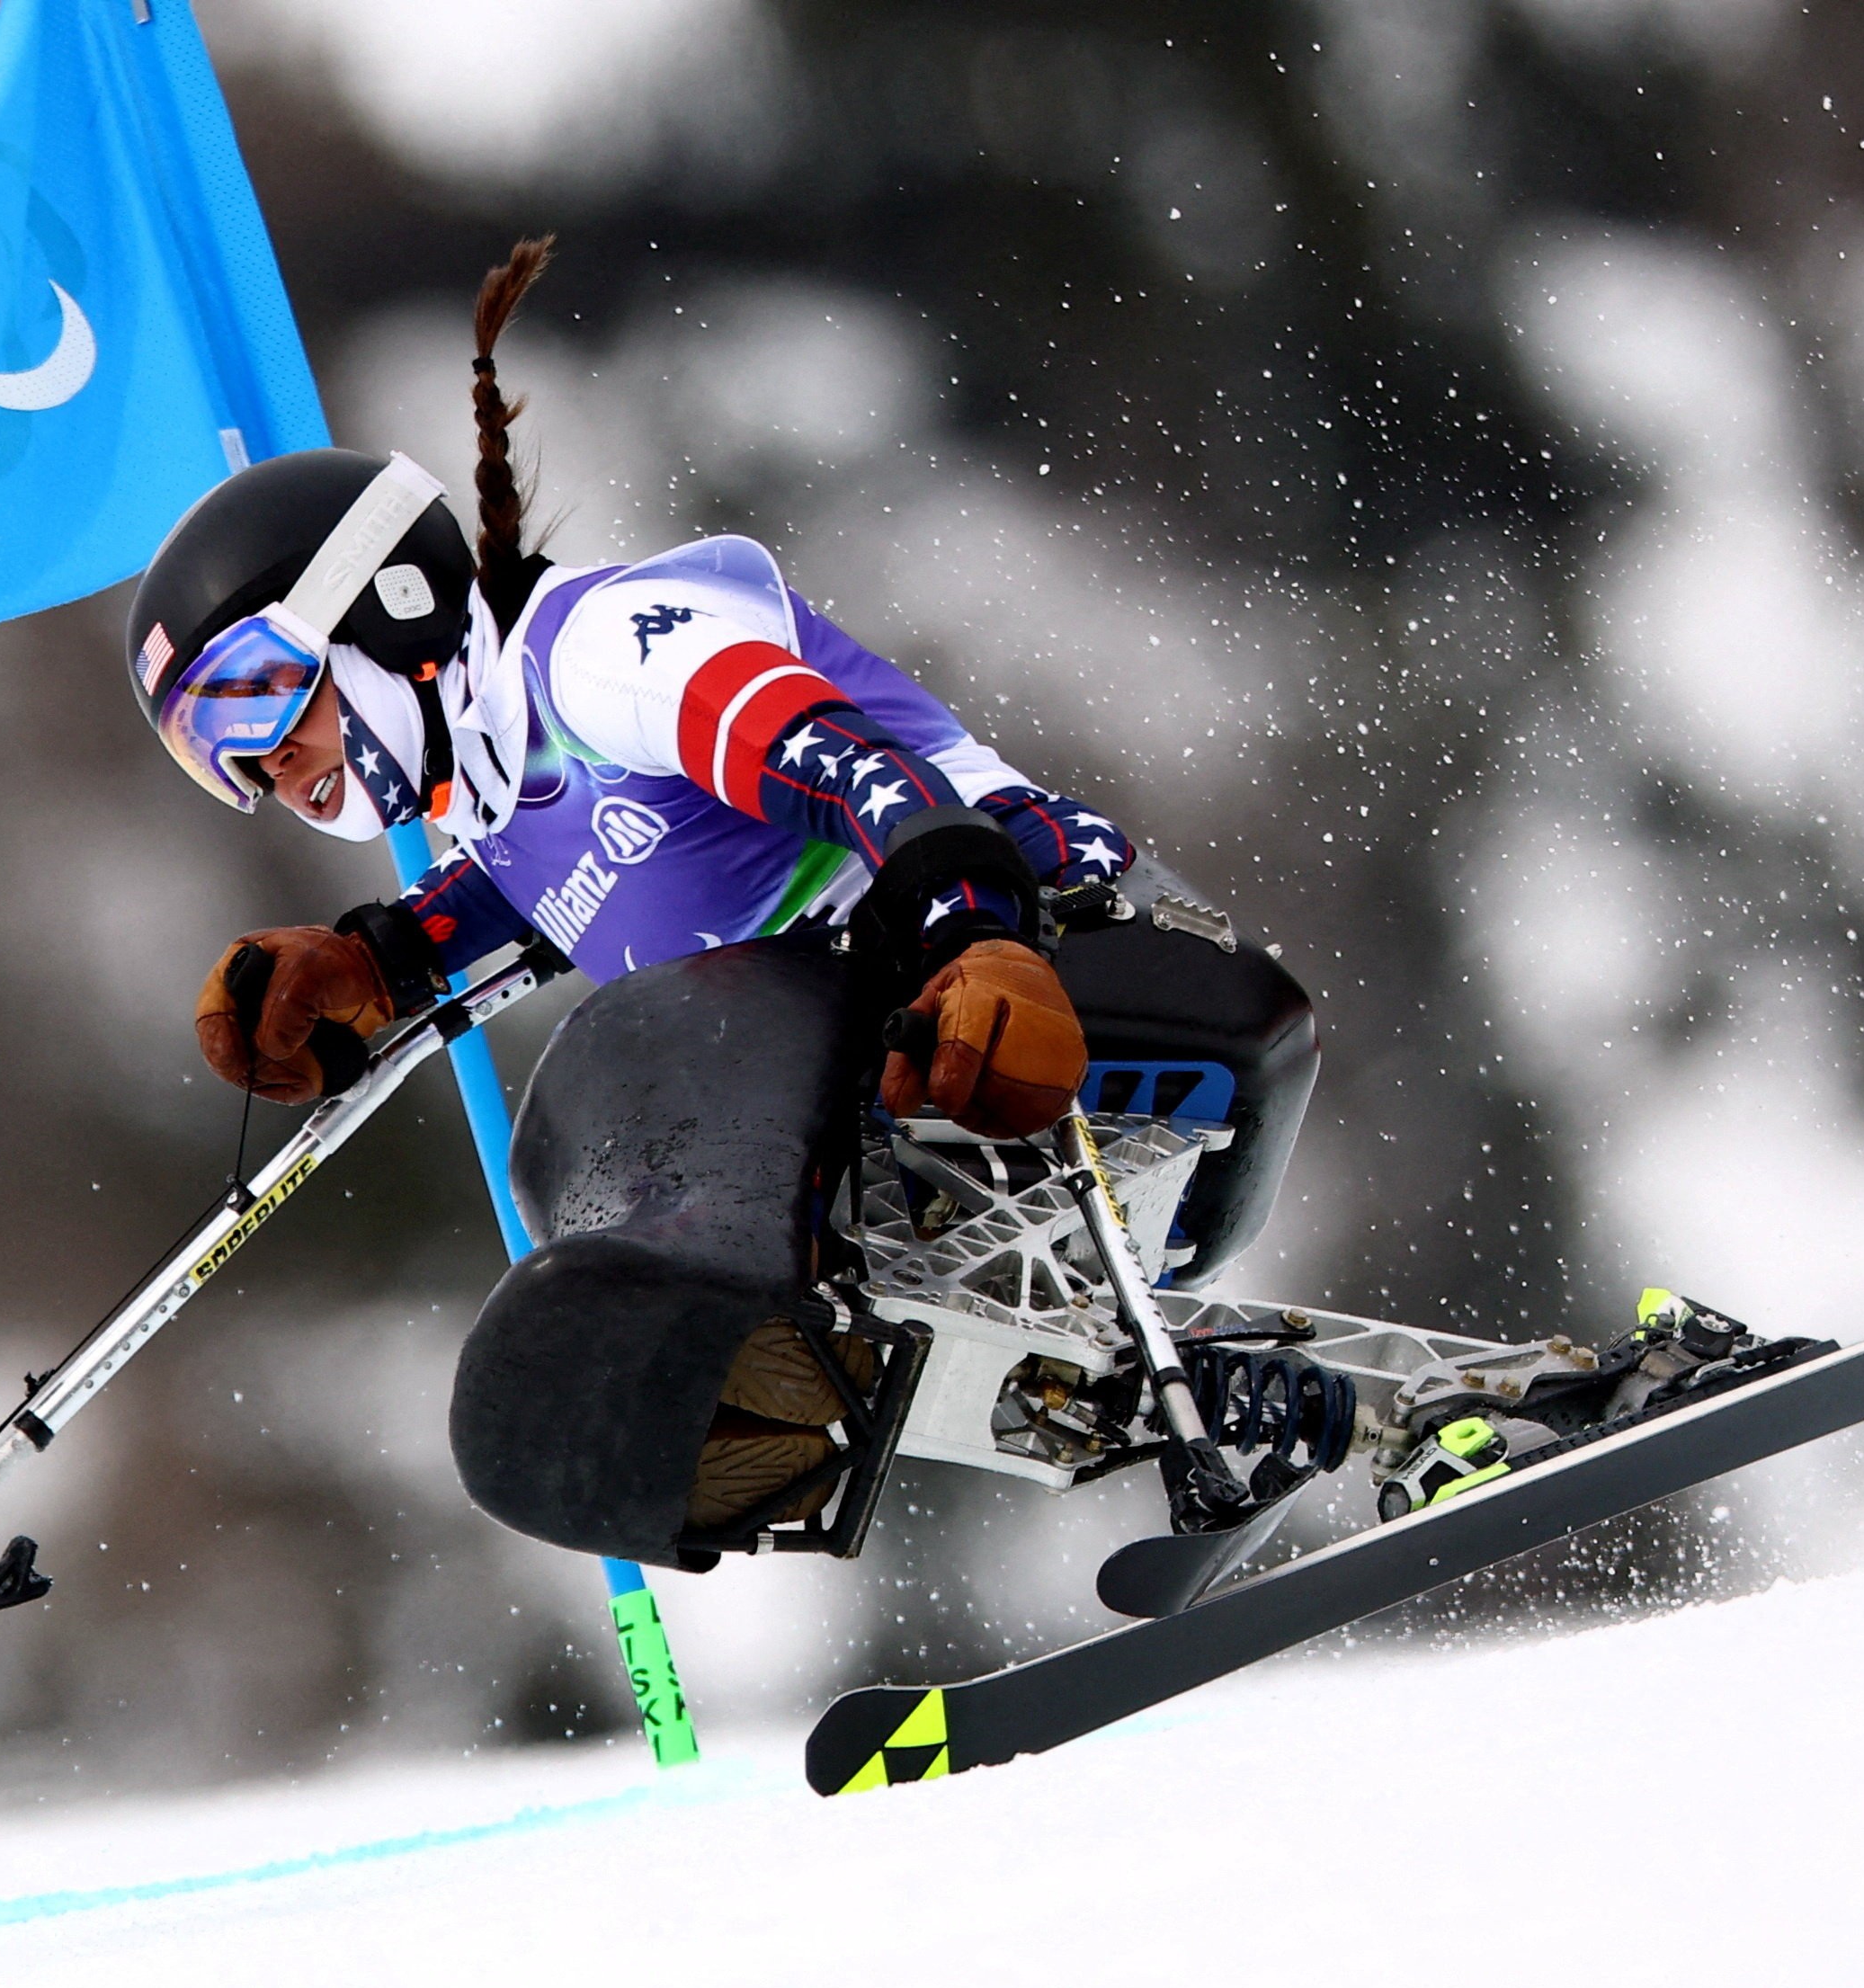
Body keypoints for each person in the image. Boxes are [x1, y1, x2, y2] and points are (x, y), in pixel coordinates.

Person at [125, 239, 1154, 1563]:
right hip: (892, 1093)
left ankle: (724, 1343)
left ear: (383, 603)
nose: (270, 767)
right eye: (224, 758)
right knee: (620, 1097)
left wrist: (980, 939)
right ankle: (746, 1413)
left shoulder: (601, 654)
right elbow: (525, 899)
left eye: (262, 697)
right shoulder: (504, 798)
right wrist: (372, 965)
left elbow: (849, 765)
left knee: (657, 1049)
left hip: (1036, 970)